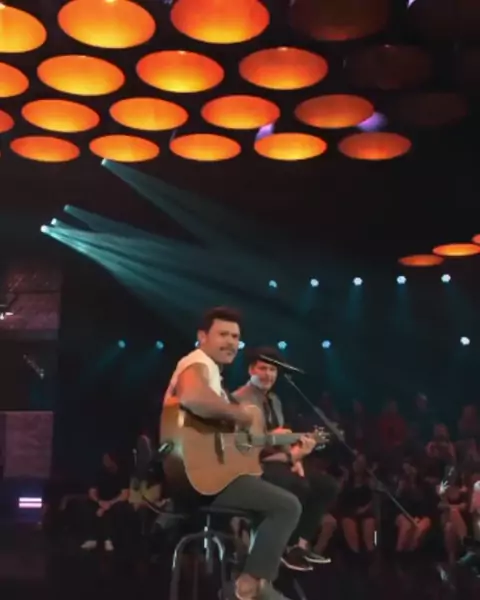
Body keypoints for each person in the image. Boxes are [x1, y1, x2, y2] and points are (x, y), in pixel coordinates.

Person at [162, 307, 302, 600]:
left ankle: (253, 578)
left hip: (205, 476)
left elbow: (219, 435)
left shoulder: (213, 373)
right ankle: (249, 586)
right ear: (202, 336)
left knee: (267, 488)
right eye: (223, 334)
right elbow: (194, 398)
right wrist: (240, 415)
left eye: (235, 337)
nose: (230, 342)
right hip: (198, 480)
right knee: (287, 505)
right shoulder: (197, 362)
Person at [233, 347, 339, 571]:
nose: (268, 374)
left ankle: (300, 546)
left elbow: (282, 440)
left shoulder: (275, 400)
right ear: (251, 370)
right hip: (252, 464)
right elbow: (247, 445)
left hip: (279, 459)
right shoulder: (240, 399)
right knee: (298, 485)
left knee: (327, 485)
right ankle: (283, 546)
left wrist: (297, 459)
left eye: (272, 370)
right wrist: (289, 454)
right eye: (263, 368)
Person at [80, 452, 131, 552]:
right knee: (87, 506)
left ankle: (109, 539)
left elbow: (125, 494)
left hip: (115, 501)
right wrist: (100, 502)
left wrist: (109, 503)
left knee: (118, 509)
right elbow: (92, 491)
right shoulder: (98, 473)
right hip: (101, 501)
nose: (105, 461)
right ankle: (91, 539)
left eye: (108, 459)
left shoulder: (122, 473)